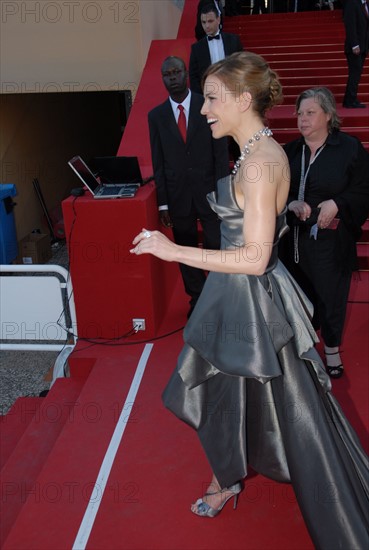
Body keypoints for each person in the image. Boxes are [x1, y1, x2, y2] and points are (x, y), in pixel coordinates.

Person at [132, 52, 369, 549]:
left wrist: (172, 249)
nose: (203, 110)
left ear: (243, 99)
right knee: (226, 396)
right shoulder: (258, 151)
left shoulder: (260, 165)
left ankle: (335, 518)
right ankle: (227, 477)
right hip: (235, 298)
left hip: (251, 299)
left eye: (213, 99)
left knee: (294, 419)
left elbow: (256, 258)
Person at [281, 87, 369, 378]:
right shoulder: (289, 151)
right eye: (300, 113)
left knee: (332, 297)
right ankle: (302, 346)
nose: (302, 119)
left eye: (310, 113)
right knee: (297, 296)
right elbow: (276, 191)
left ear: (329, 115)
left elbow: (364, 189)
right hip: (293, 241)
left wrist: (339, 203)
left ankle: (331, 348)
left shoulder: (350, 148)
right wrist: (290, 202)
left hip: (331, 241)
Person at [147, 56, 229, 318]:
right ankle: (198, 299)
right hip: (178, 196)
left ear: (186, 74)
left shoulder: (208, 107)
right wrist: (163, 203)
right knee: (184, 251)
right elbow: (158, 162)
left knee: (216, 246)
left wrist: (223, 191)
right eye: (166, 74)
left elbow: (220, 153)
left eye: (176, 71)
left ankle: (219, 298)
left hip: (210, 194)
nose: (172, 77)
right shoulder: (156, 116)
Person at [189, 3, 243, 94]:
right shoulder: (196, 48)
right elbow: (193, 77)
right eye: (203, 22)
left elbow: (241, 66)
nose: (207, 26)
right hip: (209, 95)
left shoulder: (234, 40)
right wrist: (203, 96)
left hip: (231, 91)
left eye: (210, 21)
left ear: (218, 20)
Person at [342, 0, 369, 108]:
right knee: (354, 74)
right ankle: (350, 101)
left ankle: (350, 99)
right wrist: (354, 45)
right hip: (355, 47)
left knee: (356, 74)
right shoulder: (352, 3)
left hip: (363, 46)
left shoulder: (365, 4)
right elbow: (350, 24)